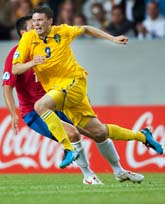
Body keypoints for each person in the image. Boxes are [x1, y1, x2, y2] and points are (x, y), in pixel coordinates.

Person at [12, 6, 163, 179]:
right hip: (60, 93)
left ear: (50, 21)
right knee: (99, 132)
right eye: (34, 20)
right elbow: (16, 69)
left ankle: (68, 148)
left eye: (40, 20)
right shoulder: (28, 38)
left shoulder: (63, 31)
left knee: (41, 106)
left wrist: (112, 38)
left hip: (74, 82)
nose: (36, 24)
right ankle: (142, 136)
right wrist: (30, 64)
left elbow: (86, 29)